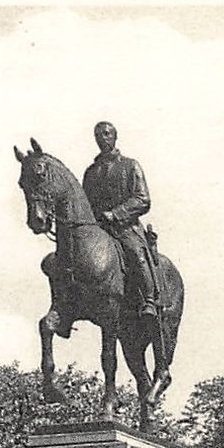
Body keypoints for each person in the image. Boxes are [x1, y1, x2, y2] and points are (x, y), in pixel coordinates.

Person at [82, 121, 160, 321]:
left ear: (115, 136)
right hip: (99, 229)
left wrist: (116, 214)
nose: (103, 138)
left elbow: (143, 199)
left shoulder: (130, 166)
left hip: (126, 227)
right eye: (98, 135)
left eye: (107, 134)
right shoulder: (90, 173)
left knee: (135, 252)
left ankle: (149, 300)